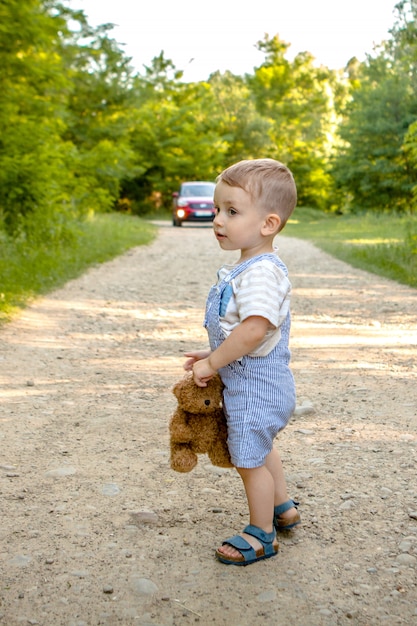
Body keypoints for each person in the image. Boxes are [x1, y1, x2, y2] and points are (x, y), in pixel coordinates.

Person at [184, 158, 300, 566]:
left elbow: (253, 331)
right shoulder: (247, 268)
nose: (218, 219)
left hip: (256, 387)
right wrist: (211, 352)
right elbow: (239, 330)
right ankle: (282, 507)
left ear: (268, 224)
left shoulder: (262, 274)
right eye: (218, 209)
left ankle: (262, 534)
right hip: (256, 383)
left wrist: (213, 362)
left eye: (231, 212)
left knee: (247, 459)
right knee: (262, 447)